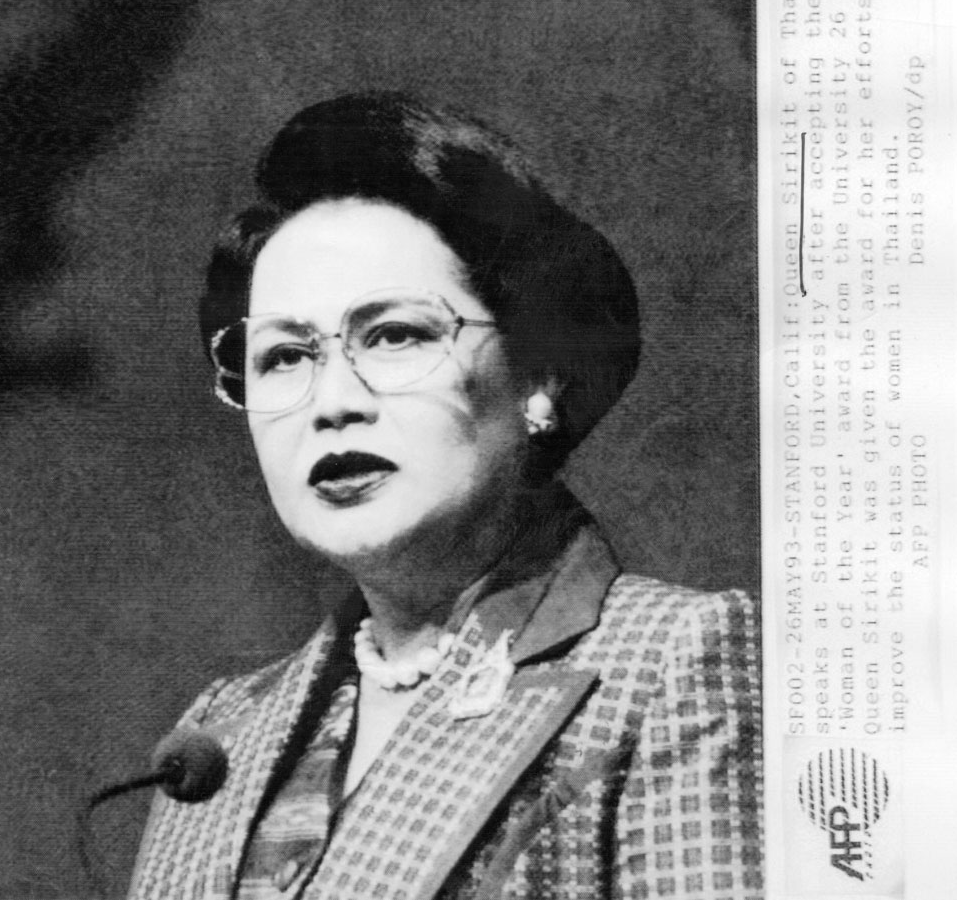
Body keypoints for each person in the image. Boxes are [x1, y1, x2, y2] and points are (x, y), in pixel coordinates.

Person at [128, 94, 762, 900]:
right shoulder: (218, 734)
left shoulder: (666, 662)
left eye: (395, 335)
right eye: (284, 356)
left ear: (539, 373)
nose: (332, 403)